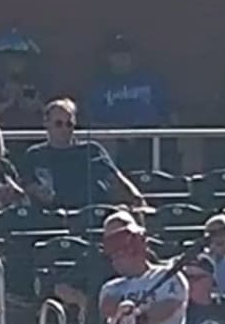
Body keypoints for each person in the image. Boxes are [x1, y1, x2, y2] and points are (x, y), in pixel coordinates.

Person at [21, 98, 147, 215]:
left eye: (69, 124)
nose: (65, 129)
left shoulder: (91, 150)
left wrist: (137, 198)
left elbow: (115, 178)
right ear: (46, 123)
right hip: (54, 217)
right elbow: (27, 187)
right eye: (59, 124)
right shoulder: (35, 155)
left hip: (94, 214)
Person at [81, 33, 170, 171]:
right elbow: (91, 119)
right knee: (105, 142)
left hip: (148, 135)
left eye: (126, 53)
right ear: (108, 58)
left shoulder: (150, 80)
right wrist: (119, 131)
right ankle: (110, 183)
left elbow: (166, 111)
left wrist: (143, 129)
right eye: (116, 54)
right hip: (114, 135)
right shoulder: (99, 85)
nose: (121, 57)